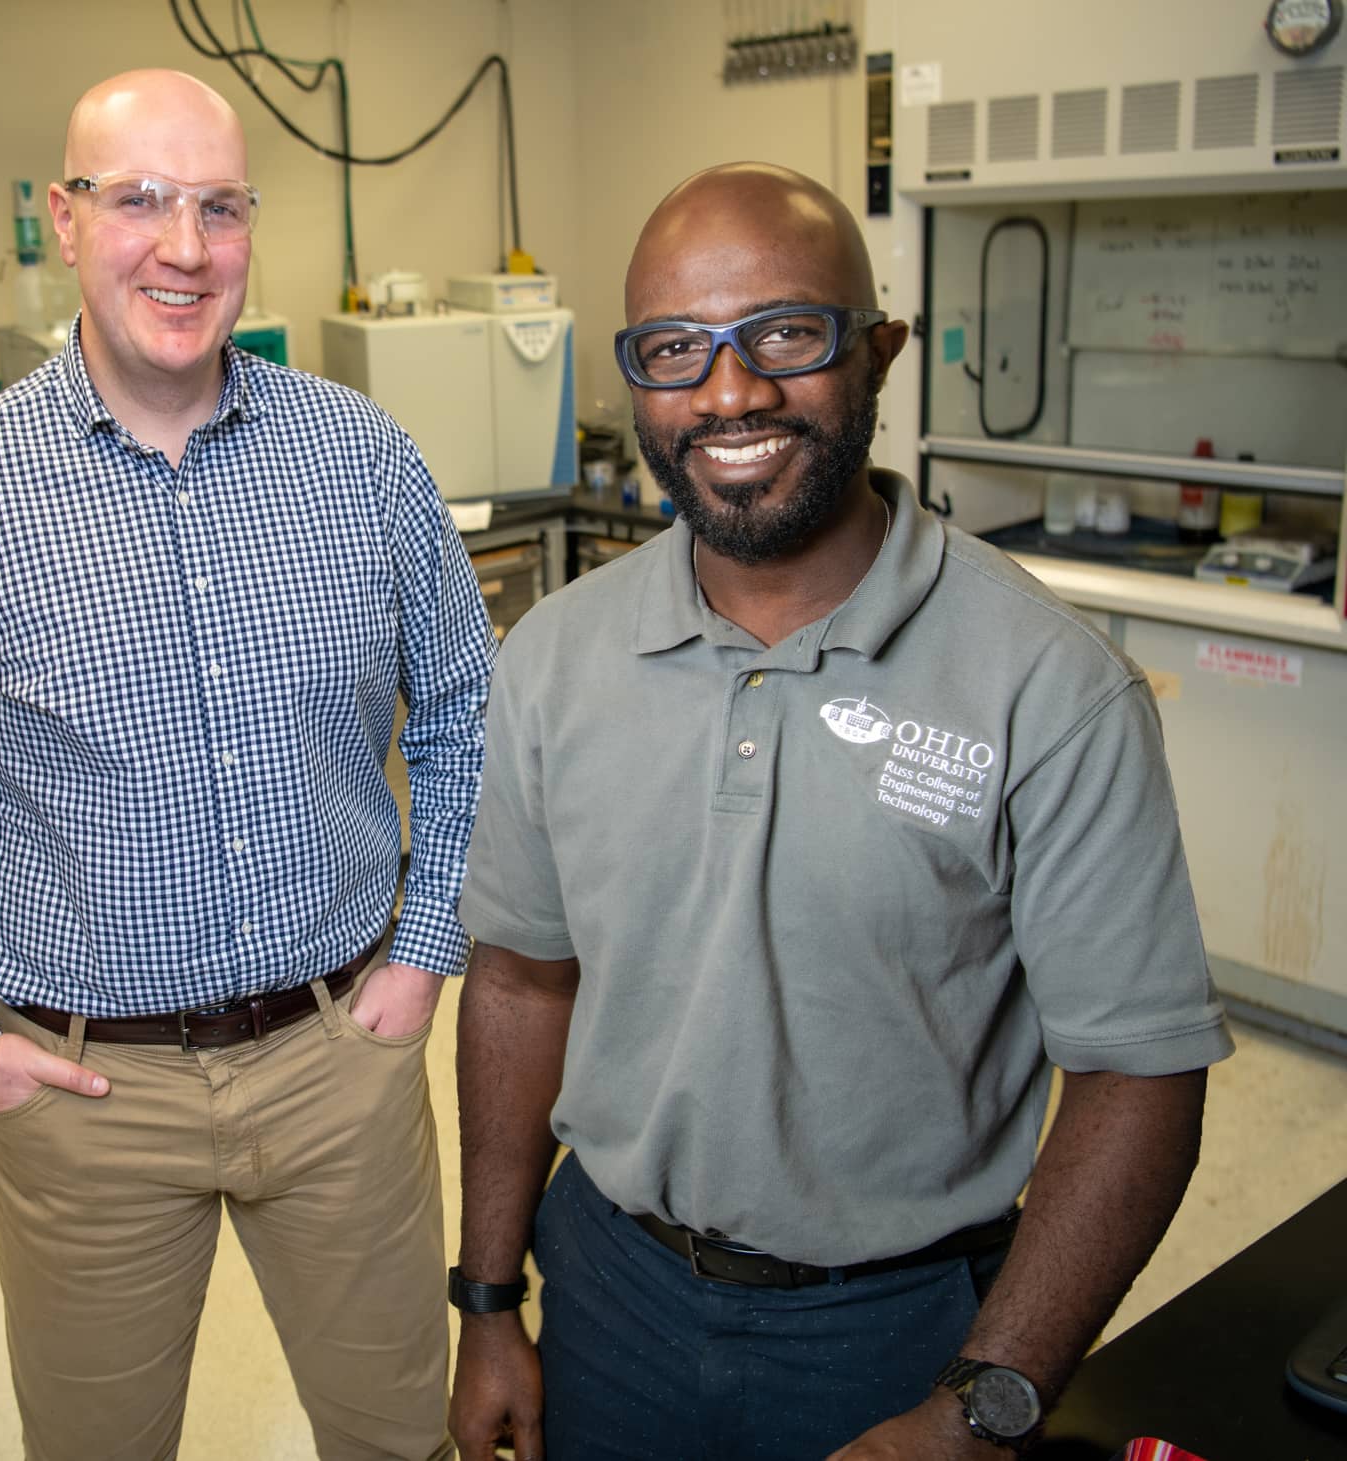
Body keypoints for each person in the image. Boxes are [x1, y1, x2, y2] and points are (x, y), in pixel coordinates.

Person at [446, 163, 1234, 1461]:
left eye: (785, 334)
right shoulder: (556, 657)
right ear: (635, 377)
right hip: (609, 1289)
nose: (731, 390)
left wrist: (982, 1405)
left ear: (878, 350)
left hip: (898, 1329)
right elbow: (525, 982)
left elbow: (1138, 1073)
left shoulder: (1051, 686)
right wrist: (487, 1300)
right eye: (676, 350)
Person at [0, 68, 493, 1461]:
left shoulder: (361, 458)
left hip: (339, 1055)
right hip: (87, 1102)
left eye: (219, 207)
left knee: (400, 1441)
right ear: (65, 221)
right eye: (139, 201)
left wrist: (424, 948)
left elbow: (471, 718)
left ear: (253, 228)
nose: (183, 249)